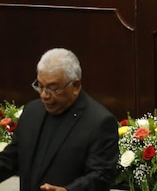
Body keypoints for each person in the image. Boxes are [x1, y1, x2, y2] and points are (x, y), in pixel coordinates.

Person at [0, 48, 118, 191]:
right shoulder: (32, 111)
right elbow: (10, 160)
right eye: (40, 86)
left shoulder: (99, 122)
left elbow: (101, 176)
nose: (44, 95)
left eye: (53, 88)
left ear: (75, 86)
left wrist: (67, 190)